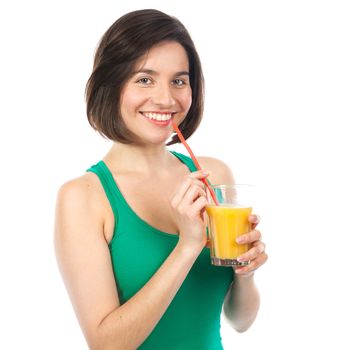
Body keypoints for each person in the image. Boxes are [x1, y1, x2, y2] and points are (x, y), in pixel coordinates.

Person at [54, 9, 268, 350]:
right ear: (111, 86)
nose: (167, 99)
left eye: (179, 81)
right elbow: (107, 345)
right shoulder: (83, 196)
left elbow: (241, 321)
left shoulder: (214, 176)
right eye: (144, 79)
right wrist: (187, 246)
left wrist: (247, 273)